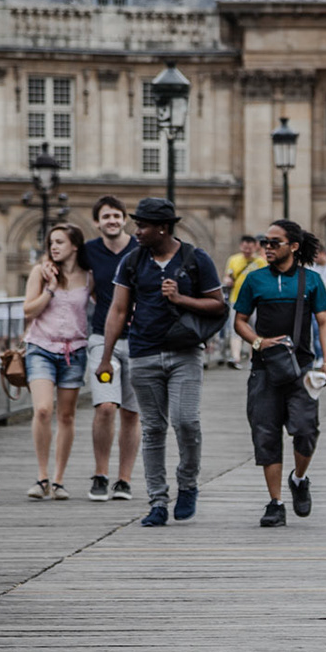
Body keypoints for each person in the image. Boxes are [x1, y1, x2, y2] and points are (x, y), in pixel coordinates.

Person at [98, 198, 226, 527]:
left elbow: (218, 305)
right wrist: (106, 357)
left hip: (185, 353)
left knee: (186, 422)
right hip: (143, 354)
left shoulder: (196, 259)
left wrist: (181, 298)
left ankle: (188, 485)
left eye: (142, 226)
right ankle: (157, 500)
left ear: (162, 228)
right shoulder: (132, 261)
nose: (136, 231)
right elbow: (118, 310)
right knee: (154, 429)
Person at [233, 220, 326, 528]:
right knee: (266, 434)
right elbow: (239, 320)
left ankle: (299, 478)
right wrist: (257, 341)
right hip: (264, 369)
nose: (267, 247)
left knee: (306, 430)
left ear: (293, 246)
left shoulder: (311, 281)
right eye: (266, 242)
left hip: (302, 368)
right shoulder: (255, 280)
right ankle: (275, 503)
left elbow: (325, 323)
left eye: (274, 242)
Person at [21, 223, 93, 500]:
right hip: (41, 346)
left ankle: (59, 479)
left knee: (66, 416)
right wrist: (50, 289)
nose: (54, 247)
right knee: (42, 410)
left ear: (75, 245)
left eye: (60, 242)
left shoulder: (89, 276)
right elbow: (28, 310)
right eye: (51, 242)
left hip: (74, 351)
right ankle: (42, 477)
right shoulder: (42, 272)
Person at [84, 195, 140, 502]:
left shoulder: (139, 249)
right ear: (97, 222)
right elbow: (78, 282)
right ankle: (101, 473)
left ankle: (124, 479)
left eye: (117, 216)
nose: (112, 221)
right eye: (106, 217)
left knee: (132, 413)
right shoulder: (89, 251)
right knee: (106, 407)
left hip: (137, 341)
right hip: (101, 340)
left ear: (124, 219)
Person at [223, 236, 265, 369]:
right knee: (236, 329)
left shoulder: (260, 262)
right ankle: (236, 358)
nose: (247, 250)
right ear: (241, 246)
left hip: (256, 300)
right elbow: (227, 276)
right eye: (245, 247)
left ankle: (254, 358)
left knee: (255, 329)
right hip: (237, 299)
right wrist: (227, 281)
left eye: (250, 248)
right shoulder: (233, 260)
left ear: (255, 247)